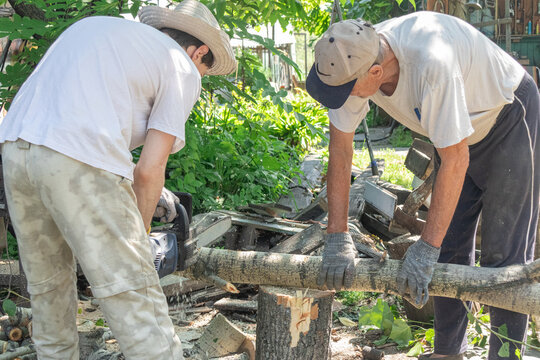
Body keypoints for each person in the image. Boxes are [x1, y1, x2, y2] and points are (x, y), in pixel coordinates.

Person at [0, 0, 236, 358]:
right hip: (79, 157)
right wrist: (139, 245)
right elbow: (148, 170)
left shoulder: (101, 30)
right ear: (198, 50)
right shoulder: (181, 66)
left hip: (16, 149)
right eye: (204, 68)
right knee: (133, 292)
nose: (200, 76)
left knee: (48, 290)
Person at [307, 12, 538, 360]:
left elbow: (455, 158)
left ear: (375, 73)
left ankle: (505, 356)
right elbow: (341, 148)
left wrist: (425, 247)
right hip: (454, 136)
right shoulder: (349, 60)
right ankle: (449, 352)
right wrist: (337, 235)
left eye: (346, 91)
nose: (341, 98)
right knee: (448, 245)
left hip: (506, 117)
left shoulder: (431, 64)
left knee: (502, 257)